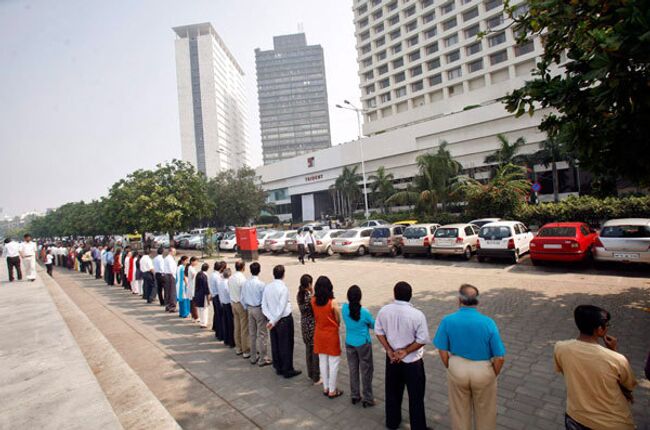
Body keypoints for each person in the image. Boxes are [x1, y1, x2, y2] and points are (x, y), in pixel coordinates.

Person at [433, 284, 506, 430]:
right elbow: (500, 357)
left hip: (457, 368)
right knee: (486, 412)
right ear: (477, 301)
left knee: (459, 412)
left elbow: (442, 349)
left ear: (459, 299)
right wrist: (493, 373)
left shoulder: (448, 320)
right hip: (483, 370)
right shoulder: (488, 323)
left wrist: (450, 365)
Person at [554, 305, 637, 430]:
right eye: (607, 325)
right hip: (613, 423)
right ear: (599, 329)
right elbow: (629, 385)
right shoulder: (616, 359)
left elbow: (566, 371)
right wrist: (613, 351)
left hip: (575, 418)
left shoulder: (560, 348)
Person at [375, 281, 430, 430]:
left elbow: (378, 331)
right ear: (410, 296)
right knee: (416, 396)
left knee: (392, 392)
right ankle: (418, 426)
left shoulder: (384, 311)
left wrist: (388, 349)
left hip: (392, 359)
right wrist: (405, 351)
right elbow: (423, 339)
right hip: (412, 361)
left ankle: (392, 422)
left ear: (394, 294)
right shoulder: (417, 315)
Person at [262, 265, 301, 378]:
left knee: (275, 343)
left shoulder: (268, 287)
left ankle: (278, 366)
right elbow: (282, 307)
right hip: (283, 320)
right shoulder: (283, 288)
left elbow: (264, 305)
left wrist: (271, 319)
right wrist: (274, 320)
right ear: (283, 274)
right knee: (286, 344)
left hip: (272, 320)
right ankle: (287, 369)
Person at [342, 285, 375, 407]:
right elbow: (373, 325)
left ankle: (355, 395)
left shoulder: (344, 308)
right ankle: (368, 398)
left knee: (353, 369)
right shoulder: (364, 312)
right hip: (363, 344)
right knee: (366, 370)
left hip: (349, 342)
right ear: (360, 297)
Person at [312, 276, 343, 398]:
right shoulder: (332, 302)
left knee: (322, 362)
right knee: (334, 363)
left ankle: (326, 387)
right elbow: (338, 318)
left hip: (319, 334)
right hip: (331, 335)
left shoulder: (313, 301)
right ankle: (332, 390)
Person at [241, 262, 272, 367]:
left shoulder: (246, 283)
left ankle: (253, 356)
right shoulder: (261, 284)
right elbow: (265, 300)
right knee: (262, 334)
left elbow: (242, 297)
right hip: (258, 309)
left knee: (252, 333)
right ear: (259, 271)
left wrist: (246, 307)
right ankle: (263, 358)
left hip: (249, 308)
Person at [297, 274, 320, 384]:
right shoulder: (309, 297)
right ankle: (316, 376)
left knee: (308, 350)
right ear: (309, 284)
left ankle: (310, 374)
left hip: (304, 325)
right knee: (315, 351)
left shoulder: (299, 294)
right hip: (312, 325)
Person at [230, 260, 250, 358]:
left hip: (233, 303)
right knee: (244, 328)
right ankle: (245, 349)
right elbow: (244, 294)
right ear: (243, 267)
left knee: (237, 326)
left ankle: (238, 347)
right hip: (240, 304)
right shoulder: (242, 279)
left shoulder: (231, 277)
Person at [217, 267, 235, 348]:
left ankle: (226, 339)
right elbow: (230, 294)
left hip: (223, 303)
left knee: (225, 322)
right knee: (230, 323)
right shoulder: (227, 283)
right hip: (228, 304)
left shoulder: (220, 282)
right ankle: (231, 341)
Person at [209, 261, 224, 340]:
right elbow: (220, 288)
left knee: (217, 314)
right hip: (218, 296)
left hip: (214, 295)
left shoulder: (212, 275)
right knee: (220, 316)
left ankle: (217, 332)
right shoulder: (217, 277)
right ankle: (220, 333)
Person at [194, 263, 211, 328]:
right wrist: (208, 294)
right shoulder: (204, 276)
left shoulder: (198, 274)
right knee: (205, 309)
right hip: (203, 295)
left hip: (198, 293)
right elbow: (206, 286)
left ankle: (201, 322)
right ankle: (204, 323)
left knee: (200, 309)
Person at [163, 247, 178, 312]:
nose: (175, 253)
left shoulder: (167, 258)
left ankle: (167, 305)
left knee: (168, 291)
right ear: (170, 252)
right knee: (172, 291)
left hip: (167, 275)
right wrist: (174, 276)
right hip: (170, 275)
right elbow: (172, 269)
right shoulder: (169, 259)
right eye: (174, 251)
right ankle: (172, 306)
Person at [187, 257, 199, 322]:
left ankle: (193, 316)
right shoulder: (191, 268)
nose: (197, 262)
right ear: (192, 261)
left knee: (192, 302)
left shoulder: (192, 268)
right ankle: (196, 316)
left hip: (192, 287)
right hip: (192, 287)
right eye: (196, 261)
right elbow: (194, 276)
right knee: (194, 303)